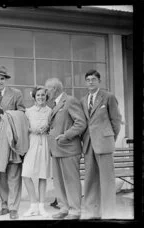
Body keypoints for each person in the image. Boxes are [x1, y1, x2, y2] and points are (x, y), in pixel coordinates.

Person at [0, 65, 25, 220]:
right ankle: (4, 204)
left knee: (14, 174)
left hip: (11, 141)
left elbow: (22, 113)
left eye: (2, 78)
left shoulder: (16, 94)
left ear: (6, 80)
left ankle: (14, 208)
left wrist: (7, 115)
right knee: (0, 173)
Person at [80, 69, 122, 219]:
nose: (90, 82)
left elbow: (116, 121)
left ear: (99, 81)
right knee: (90, 179)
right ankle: (92, 212)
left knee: (107, 179)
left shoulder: (108, 97)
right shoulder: (83, 100)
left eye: (93, 79)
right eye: (88, 79)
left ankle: (109, 213)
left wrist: (110, 138)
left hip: (103, 143)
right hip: (88, 143)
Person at [45, 78, 86, 220]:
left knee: (71, 181)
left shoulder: (70, 101)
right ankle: (64, 208)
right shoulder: (55, 104)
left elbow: (80, 123)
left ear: (54, 89)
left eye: (47, 89)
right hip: (56, 150)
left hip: (68, 149)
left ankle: (75, 211)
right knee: (59, 181)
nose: (45, 92)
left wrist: (66, 135)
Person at [21, 86, 52, 217]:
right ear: (34, 97)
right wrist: (31, 129)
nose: (40, 97)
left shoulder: (50, 111)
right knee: (26, 174)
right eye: (38, 95)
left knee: (42, 175)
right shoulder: (28, 111)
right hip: (32, 143)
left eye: (43, 95)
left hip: (44, 143)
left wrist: (48, 127)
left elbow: (54, 126)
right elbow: (23, 127)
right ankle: (33, 205)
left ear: (46, 97)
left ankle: (41, 207)